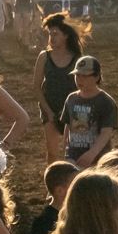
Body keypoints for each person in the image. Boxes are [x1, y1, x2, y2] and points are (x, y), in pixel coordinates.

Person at [34, 12, 83, 165]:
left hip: (73, 110)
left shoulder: (77, 58)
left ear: (66, 36)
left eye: (55, 34)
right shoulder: (44, 57)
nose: (52, 38)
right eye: (50, 34)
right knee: (52, 153)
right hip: (50, 108)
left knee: (74, 151)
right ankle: (52, 179)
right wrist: (48, 111)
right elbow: (36, 87)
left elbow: (83, 86)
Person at [59, 55, 117, 168]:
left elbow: (106, 132)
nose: (79, 79)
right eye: (77, 75)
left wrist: (91, 154)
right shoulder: (71, 99)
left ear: (97, 77)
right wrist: (66, 149)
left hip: (98, 161)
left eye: (84, 76)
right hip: (73, 158)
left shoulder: (106, 102)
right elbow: (68, 126)